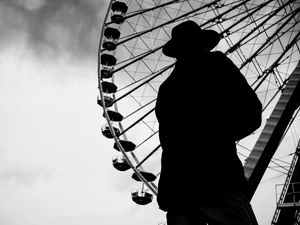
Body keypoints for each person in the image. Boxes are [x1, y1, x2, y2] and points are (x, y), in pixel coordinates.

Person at [155, 20, 262, 225]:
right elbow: (252, 112)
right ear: (202, 43)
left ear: (176, 52)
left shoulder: (166, 89)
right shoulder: (215, 63)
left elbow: (167, 140)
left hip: (177, 190)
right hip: (218, 178)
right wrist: (221, 136)